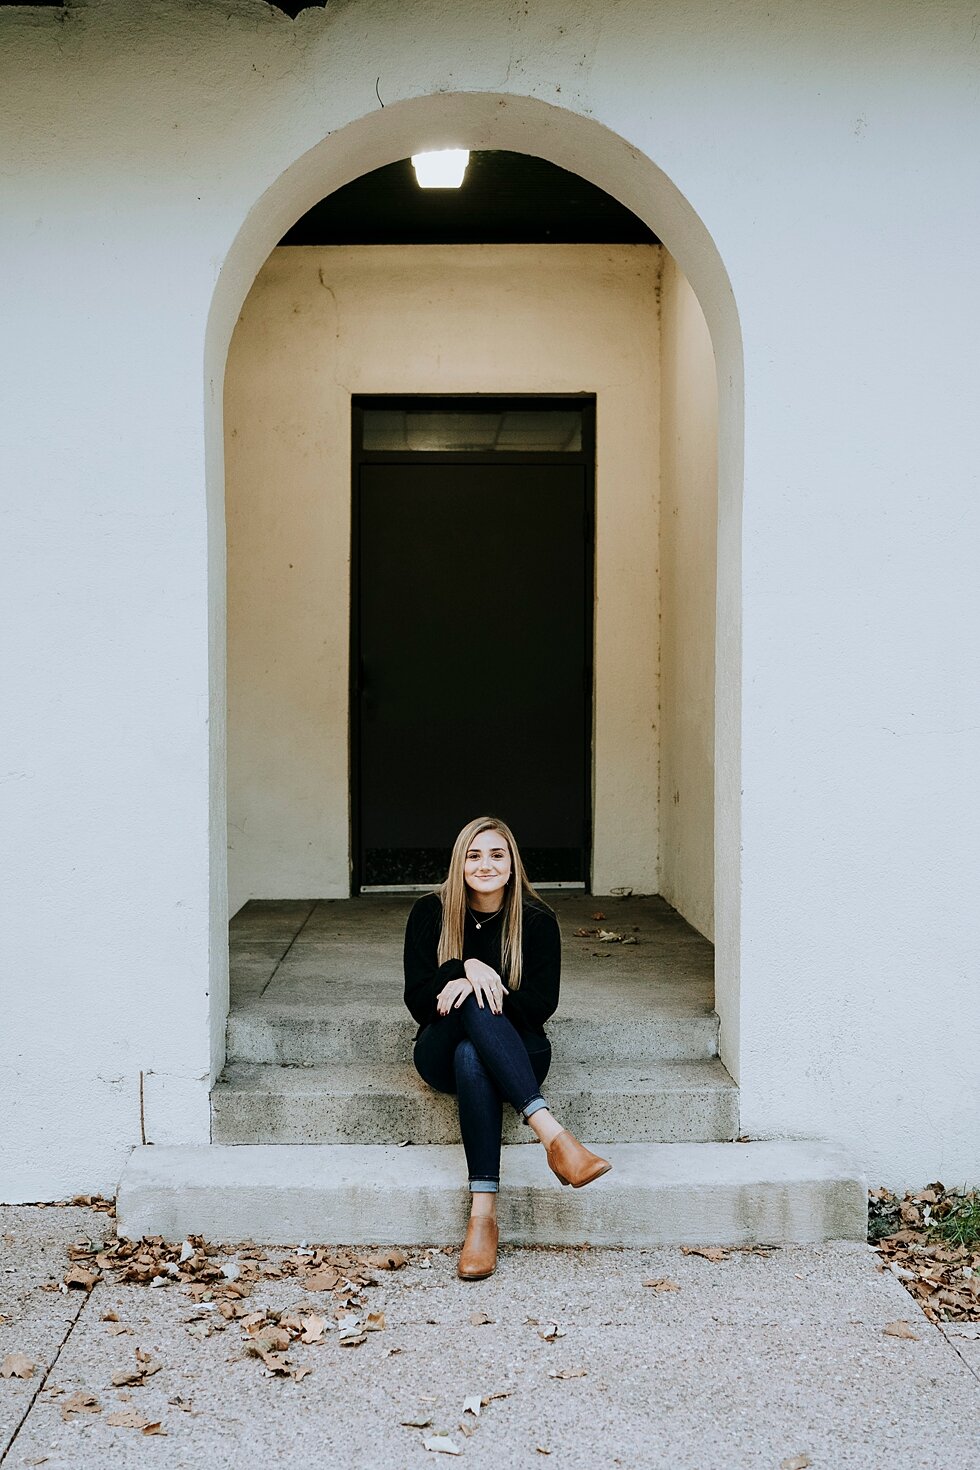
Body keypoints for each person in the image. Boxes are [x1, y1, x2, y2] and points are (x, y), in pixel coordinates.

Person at [403, 815, 612, 1280]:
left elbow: (540, 1005)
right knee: (468, 1019)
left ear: (513, 863)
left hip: (520, 1047)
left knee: (473, 1052)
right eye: (474, 855)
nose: (485, 864)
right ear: (459, 864)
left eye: (497, 854)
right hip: (437, 1046)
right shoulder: (429, 913)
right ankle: (554, 1137)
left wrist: (488, 989)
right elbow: (419, 1002)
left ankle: (482, 1219)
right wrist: (464, 967)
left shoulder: (537, 920)